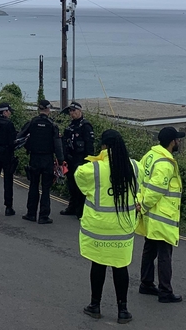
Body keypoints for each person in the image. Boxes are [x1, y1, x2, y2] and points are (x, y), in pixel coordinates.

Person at [76, 129, 141, 324]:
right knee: (121, 267)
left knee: (98, 264)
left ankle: (95, 305)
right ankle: (123, 310)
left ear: (103, 146)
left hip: (99, 228)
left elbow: (81, 179)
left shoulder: (93, 169)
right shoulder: (134, 168)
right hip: (122, 229)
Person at [136, 126, 185, 303]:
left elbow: (139, 179)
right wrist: (145, 205)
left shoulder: (150, 156)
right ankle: (165, 291)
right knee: (165, 254)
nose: (179, 142)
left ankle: (146, 283)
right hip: (161, 214)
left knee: (149, 249)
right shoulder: (165, 163)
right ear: (172, 142)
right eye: (177, 140)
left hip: (150, 214)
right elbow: (157, 189)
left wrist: (141, 205)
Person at [18, 99, 64, 224]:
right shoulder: (52, 125)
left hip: (34, 158)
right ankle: (44, 216)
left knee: (33, 186)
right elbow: (57, 144)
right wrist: (60, 161)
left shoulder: (32, 122)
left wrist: (28, 147)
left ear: (39, 109)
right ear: (48, 109)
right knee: (46, 188)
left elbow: (20, 137)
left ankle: (31, 214)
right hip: (47, 159)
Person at [60, 101, 95, 217]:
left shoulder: (85, 126)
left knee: (80, 186)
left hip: (81, 161)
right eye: (70, 111)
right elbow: (64, 143)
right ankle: (72, 207)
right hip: (70, 160)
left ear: (80, 111)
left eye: (73, 110)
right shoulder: (70, 127)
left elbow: (90, 146)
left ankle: (81, 210)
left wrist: (88, 162)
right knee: (71, 185)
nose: (71, 113)